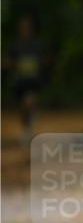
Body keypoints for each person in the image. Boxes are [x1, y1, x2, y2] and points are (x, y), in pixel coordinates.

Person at [7, 14, 48, 144]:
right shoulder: (15, 45)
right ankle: (27, 128)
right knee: (22, 107)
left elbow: (45, 60)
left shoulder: (38, 44)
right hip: (20, 82)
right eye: (22, 27)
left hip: (33, 81)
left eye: (27, 27)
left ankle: (30, 124)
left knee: (28, 101)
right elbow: (8, 61)